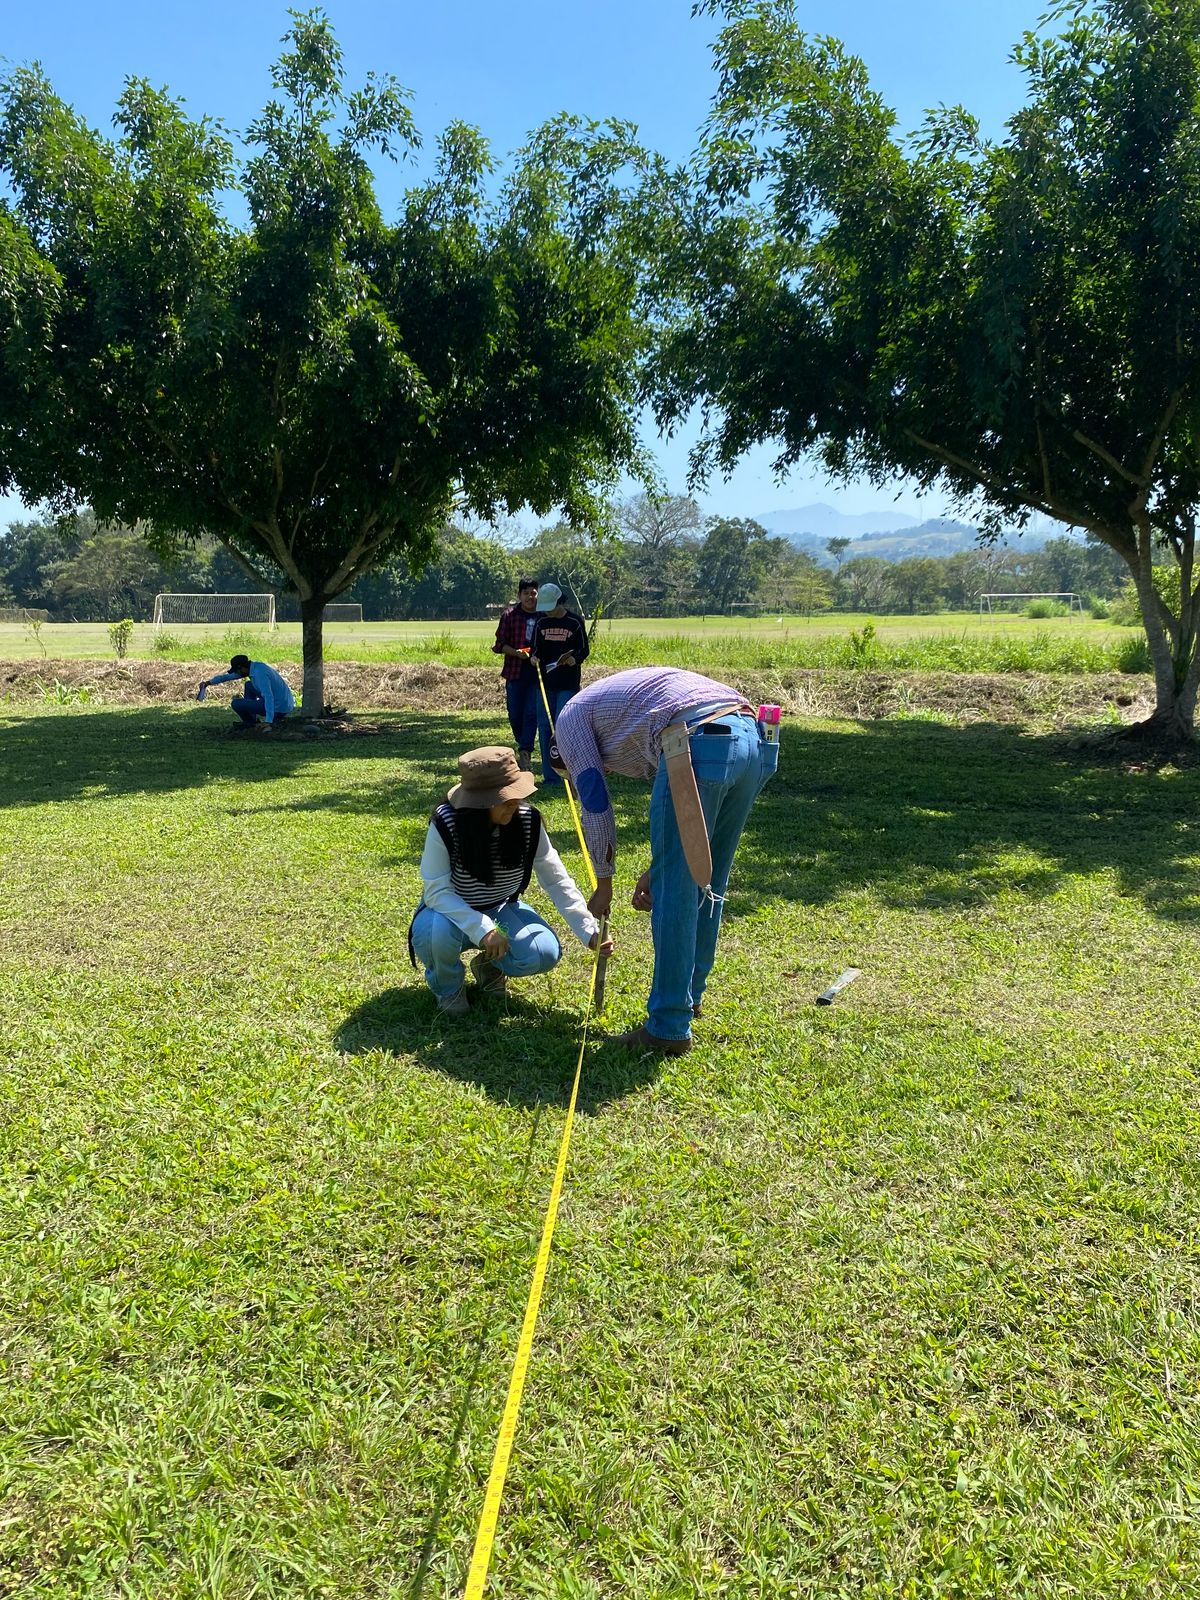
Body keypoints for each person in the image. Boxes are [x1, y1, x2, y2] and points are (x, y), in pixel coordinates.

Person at [551, 667, 779, 1055]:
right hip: (751, 739)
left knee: (676, 893)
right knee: (707, 881)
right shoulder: (612, 711)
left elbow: (595, 802)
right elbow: (684, 836)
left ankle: (669, 1027)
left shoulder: (569, 721)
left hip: (694, 740)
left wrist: (603, 884)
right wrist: (657, 869)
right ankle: (691, 997)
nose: (607, 770)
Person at [409, 745, 614, 1016]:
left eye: (516, 795)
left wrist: (588, 930)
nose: (515, 803)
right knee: (436, 934)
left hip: (500, 908)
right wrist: (483, 929)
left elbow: (556, 880)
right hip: (447, 913)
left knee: (542, 952)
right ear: (478, 803)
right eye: (504, 799)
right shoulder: (446, 823)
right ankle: (448, 989)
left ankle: (488, 966)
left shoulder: (528, 820)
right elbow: (437, 892)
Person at [529, 582, 589, 789]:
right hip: (545, 683)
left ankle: (568, 773)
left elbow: (584, 650)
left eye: (551, 608)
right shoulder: (541, 622)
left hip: (567, 683)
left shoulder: (575, 622)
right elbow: (535, 648)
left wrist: (575, 659)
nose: (548, 612)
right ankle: (550, 777)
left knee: (562, 725)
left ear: (559, 602)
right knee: (545, 727)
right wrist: (533, 657)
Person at [491, 577, 540, 771]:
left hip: (537, 674)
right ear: (520, 595)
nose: (530, 597)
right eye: (526, 593)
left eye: (533, 593)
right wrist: (516, 653)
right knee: (515, 714)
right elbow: (499, 645)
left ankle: (525, 750)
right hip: (514, 672)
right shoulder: (509, 615)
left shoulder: (544, 616)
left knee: (531, 713)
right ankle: (523, 743)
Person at [198, 654, 296, 726]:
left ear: (242, 668)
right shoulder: (255, 667)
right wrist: (208, 683)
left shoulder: (260, 675)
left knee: (236, 703)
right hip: (282, 702)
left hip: (278, 708)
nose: (237, 674)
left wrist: (268, 721)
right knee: (249, 685)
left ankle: (250, 723)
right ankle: (252, 719)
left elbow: (268, 696)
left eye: (237, 671)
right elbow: (227, 677)